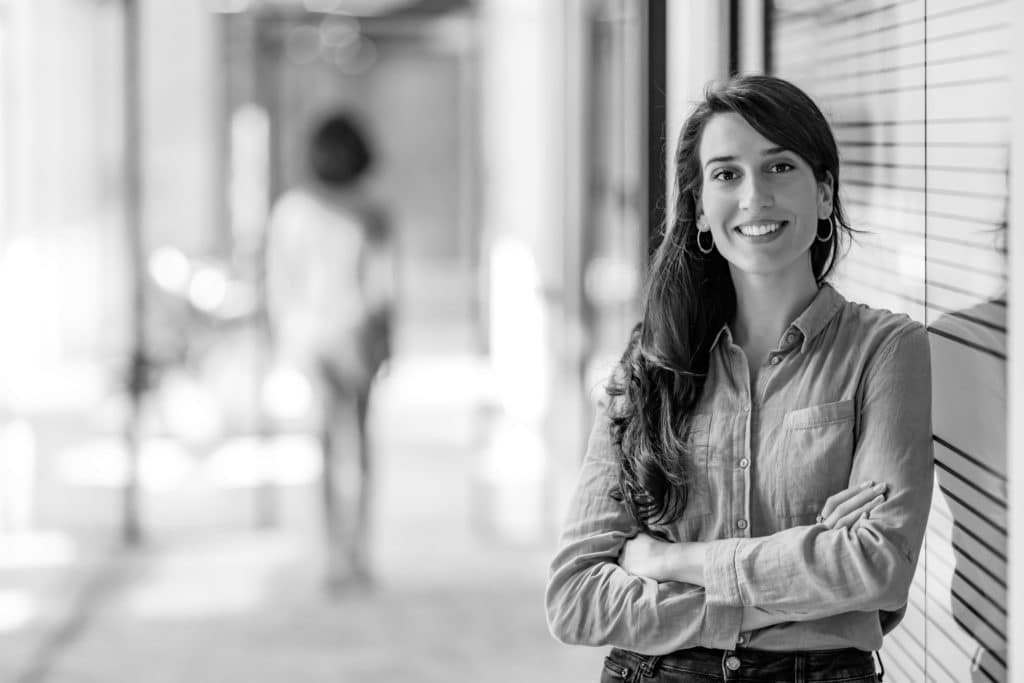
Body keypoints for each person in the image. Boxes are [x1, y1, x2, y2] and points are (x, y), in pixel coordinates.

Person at [545, 75, 933, 682]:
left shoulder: (886, 350)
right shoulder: (651, 364)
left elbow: (877, 567)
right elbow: (574, 598)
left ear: (825, 193)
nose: (754, 196)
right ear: (700, 207)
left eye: (780, 168)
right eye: (727, 174)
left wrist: (672, 559)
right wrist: (807, 583)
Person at [266, 112, 394, 590]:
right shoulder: (364, 208)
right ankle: (348, 551)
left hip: (322, 335)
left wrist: (288, 339)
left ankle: (340, 552)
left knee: (330, 446)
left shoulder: (295, 209)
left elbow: (283, 285)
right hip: (348, 334)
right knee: (351, 446)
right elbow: (383, 287)